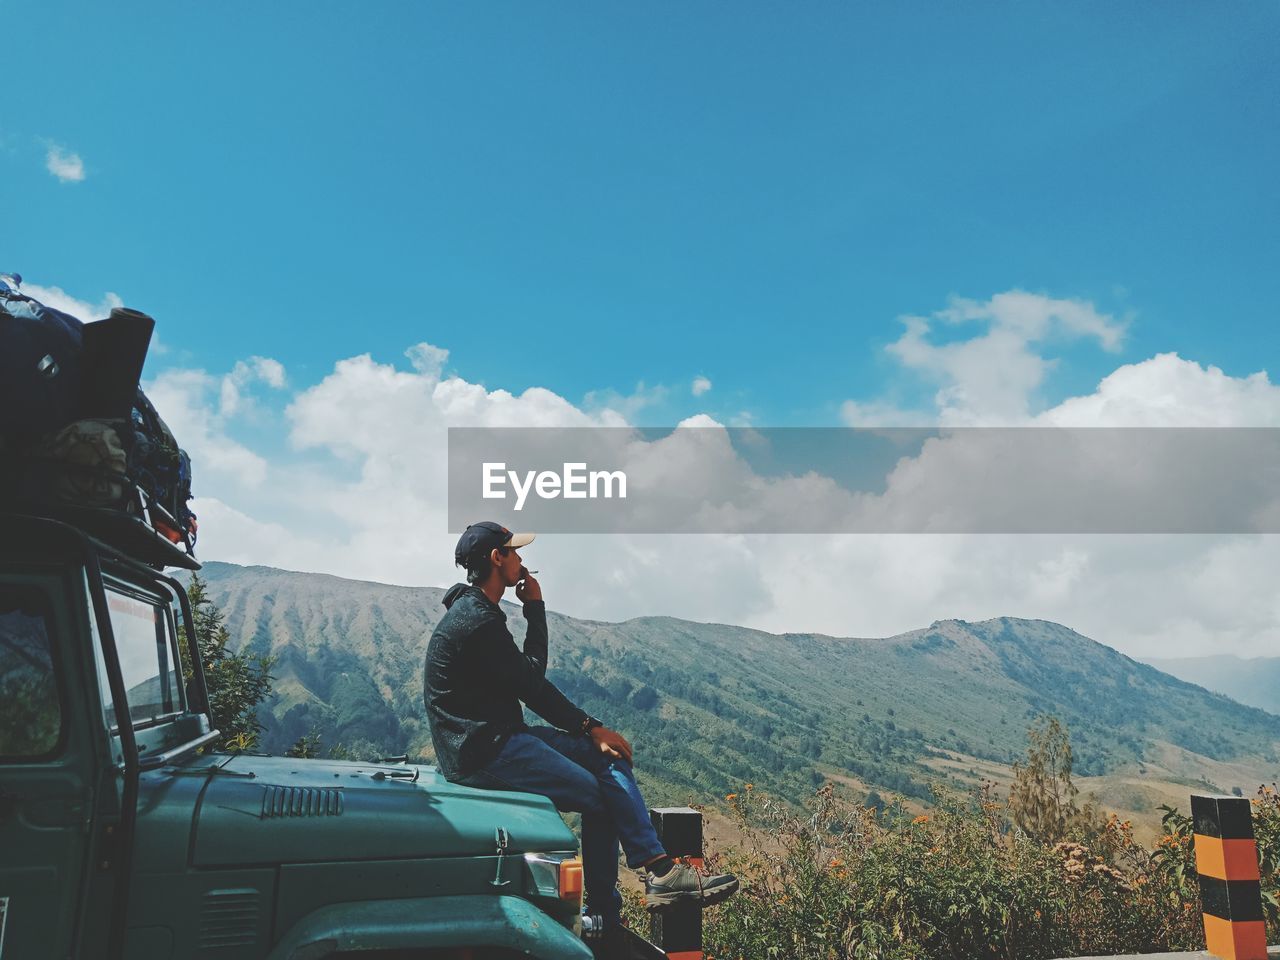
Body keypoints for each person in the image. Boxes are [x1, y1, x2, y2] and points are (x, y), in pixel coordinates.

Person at [424, 521, 738, 950]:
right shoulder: (477, 621)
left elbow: (524, 679)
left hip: (499, 738)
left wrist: (590, 733)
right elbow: (532, 684)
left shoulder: (477, 612)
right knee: (599, 794)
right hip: (485, 752)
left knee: (609, 759)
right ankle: (622, 903)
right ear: (496, 559)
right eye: (513, 552)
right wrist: (588, 724)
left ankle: (652, 876)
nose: (521, 559)